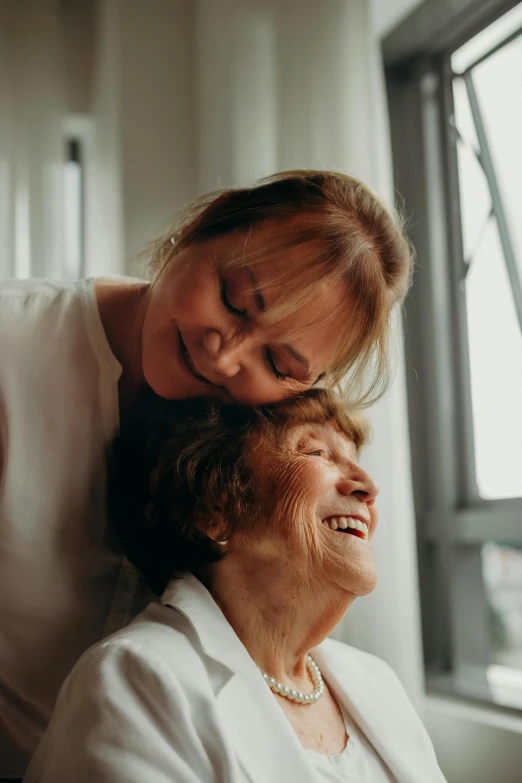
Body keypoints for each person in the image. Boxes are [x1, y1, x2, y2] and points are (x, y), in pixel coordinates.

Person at [0, 170, 413, 776]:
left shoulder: (249, 442)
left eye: (279, 360)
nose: (225, 356)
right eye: (234, 298)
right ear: (199, 227)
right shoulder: (12, 345)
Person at [24, 389, 446, 783]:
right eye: (317, 452)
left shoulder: (376, 680)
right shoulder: (133, 681)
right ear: (213, 509)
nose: (368, 487)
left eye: (355, 458)